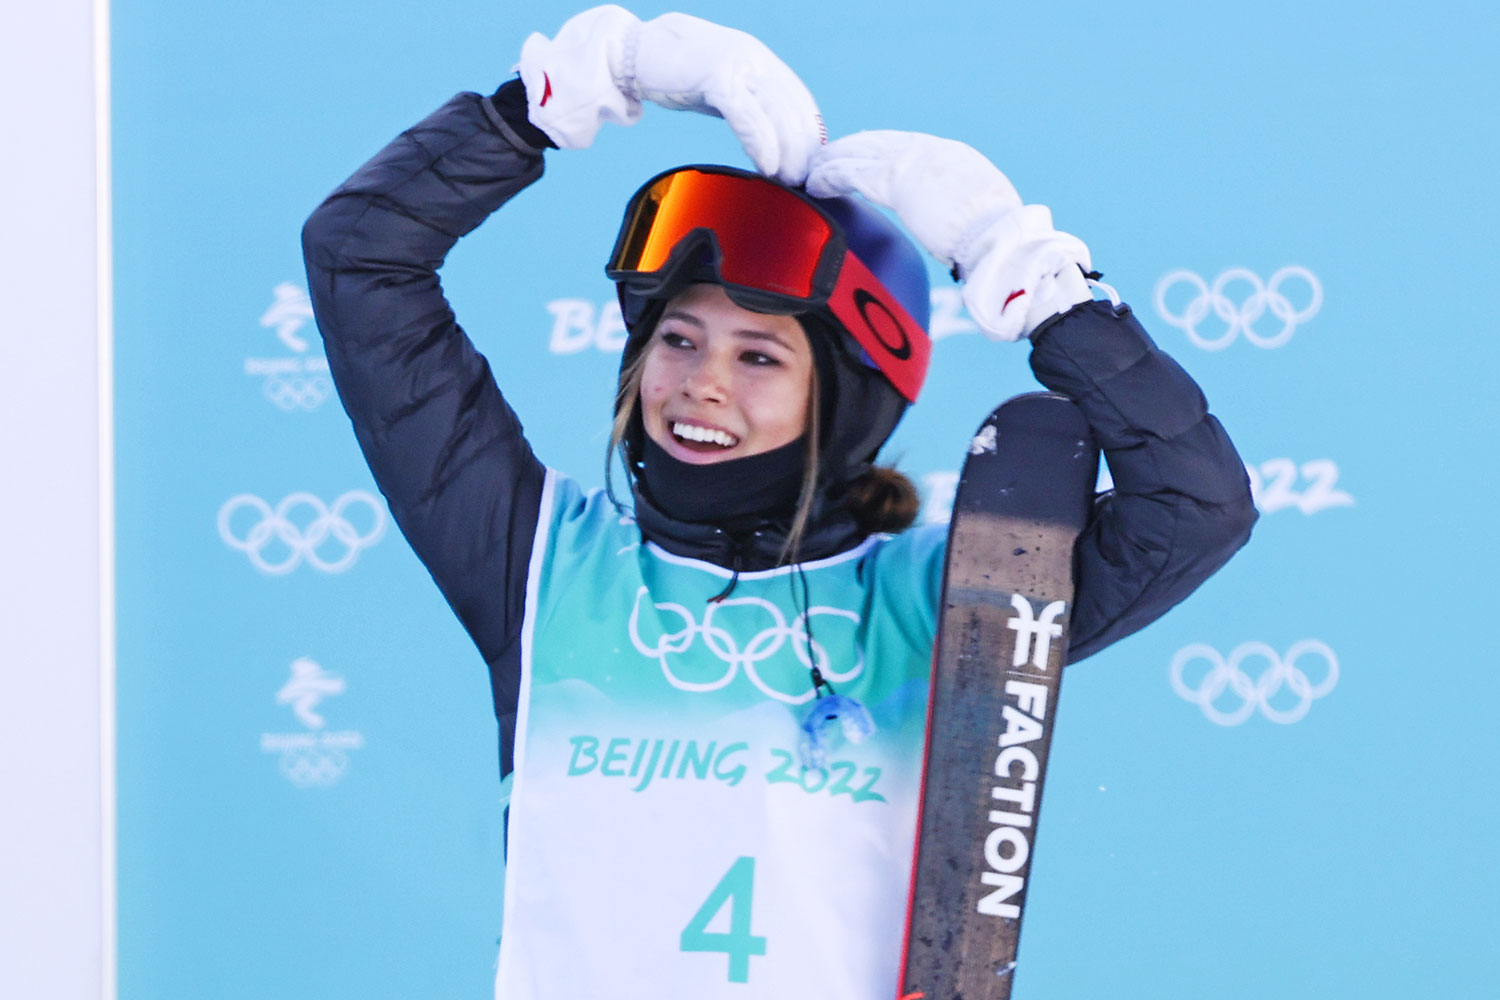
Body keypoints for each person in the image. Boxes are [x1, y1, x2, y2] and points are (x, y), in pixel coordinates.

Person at [301, 7, 1256, 997]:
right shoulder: (536, 561)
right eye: (678, 340)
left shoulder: (949, 603)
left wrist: (1040, 286)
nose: (701, 384)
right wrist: (555, 97)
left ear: (841, 404)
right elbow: (359, 257)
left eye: (759, 356)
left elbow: (1195, 507)